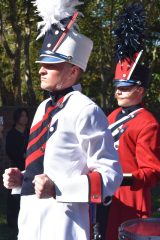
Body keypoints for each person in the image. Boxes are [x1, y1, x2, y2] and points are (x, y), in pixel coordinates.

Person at [3, 1, 123, 240]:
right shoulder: (41, 108)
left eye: (51, 64)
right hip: (29, 221)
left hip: (66, 224)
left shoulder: (86, 109)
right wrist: (21, 179)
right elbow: (46, 166)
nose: (41, 70)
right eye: (41, 64)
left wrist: (59, 189)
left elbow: (111, 175)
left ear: (73, 71)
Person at [105, 3, 160, 240]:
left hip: (130, 198)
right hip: (103, 194)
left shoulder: (147, 123)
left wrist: (123, 178)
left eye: (125, 88)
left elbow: (152, 172)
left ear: (140, 90)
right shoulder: (110, 116)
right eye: (117, 87)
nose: (119, 92)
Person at [5, 108, 29, 232]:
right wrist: (21, 155)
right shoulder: (12, 134)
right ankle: (13, 220)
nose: (24, 118)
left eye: (26, 116)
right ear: (17, 118)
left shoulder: (30, 132)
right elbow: (9, 150)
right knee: (14, 194)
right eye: (22, 116)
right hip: (16, 165)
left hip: (29, 166)